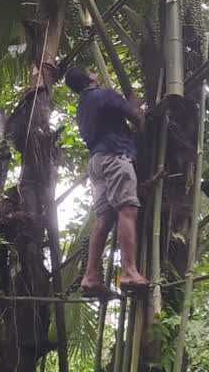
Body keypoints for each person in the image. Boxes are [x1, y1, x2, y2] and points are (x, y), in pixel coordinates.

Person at [64, 66, 150, 296]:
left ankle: (91, 277)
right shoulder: (105, 94)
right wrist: (135, 104)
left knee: (104, 216)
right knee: (127, 209)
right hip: (115, 155)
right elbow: (137, 117)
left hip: (96, 162)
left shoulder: (82, 106)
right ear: (90, 77)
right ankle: (130, 272)